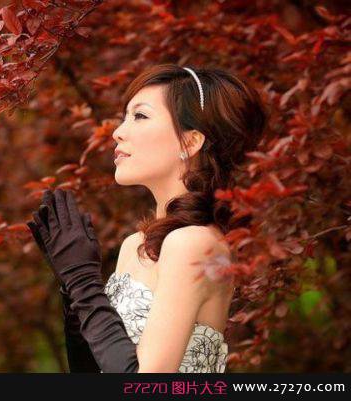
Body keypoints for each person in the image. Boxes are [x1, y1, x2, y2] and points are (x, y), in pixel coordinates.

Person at [27, 64, 269, 373]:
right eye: (125, 116)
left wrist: (83, 281)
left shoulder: (195, 244)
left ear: (190, 142)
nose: (118, 132)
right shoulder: (135, 246)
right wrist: (71, 286)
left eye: (140, 116)